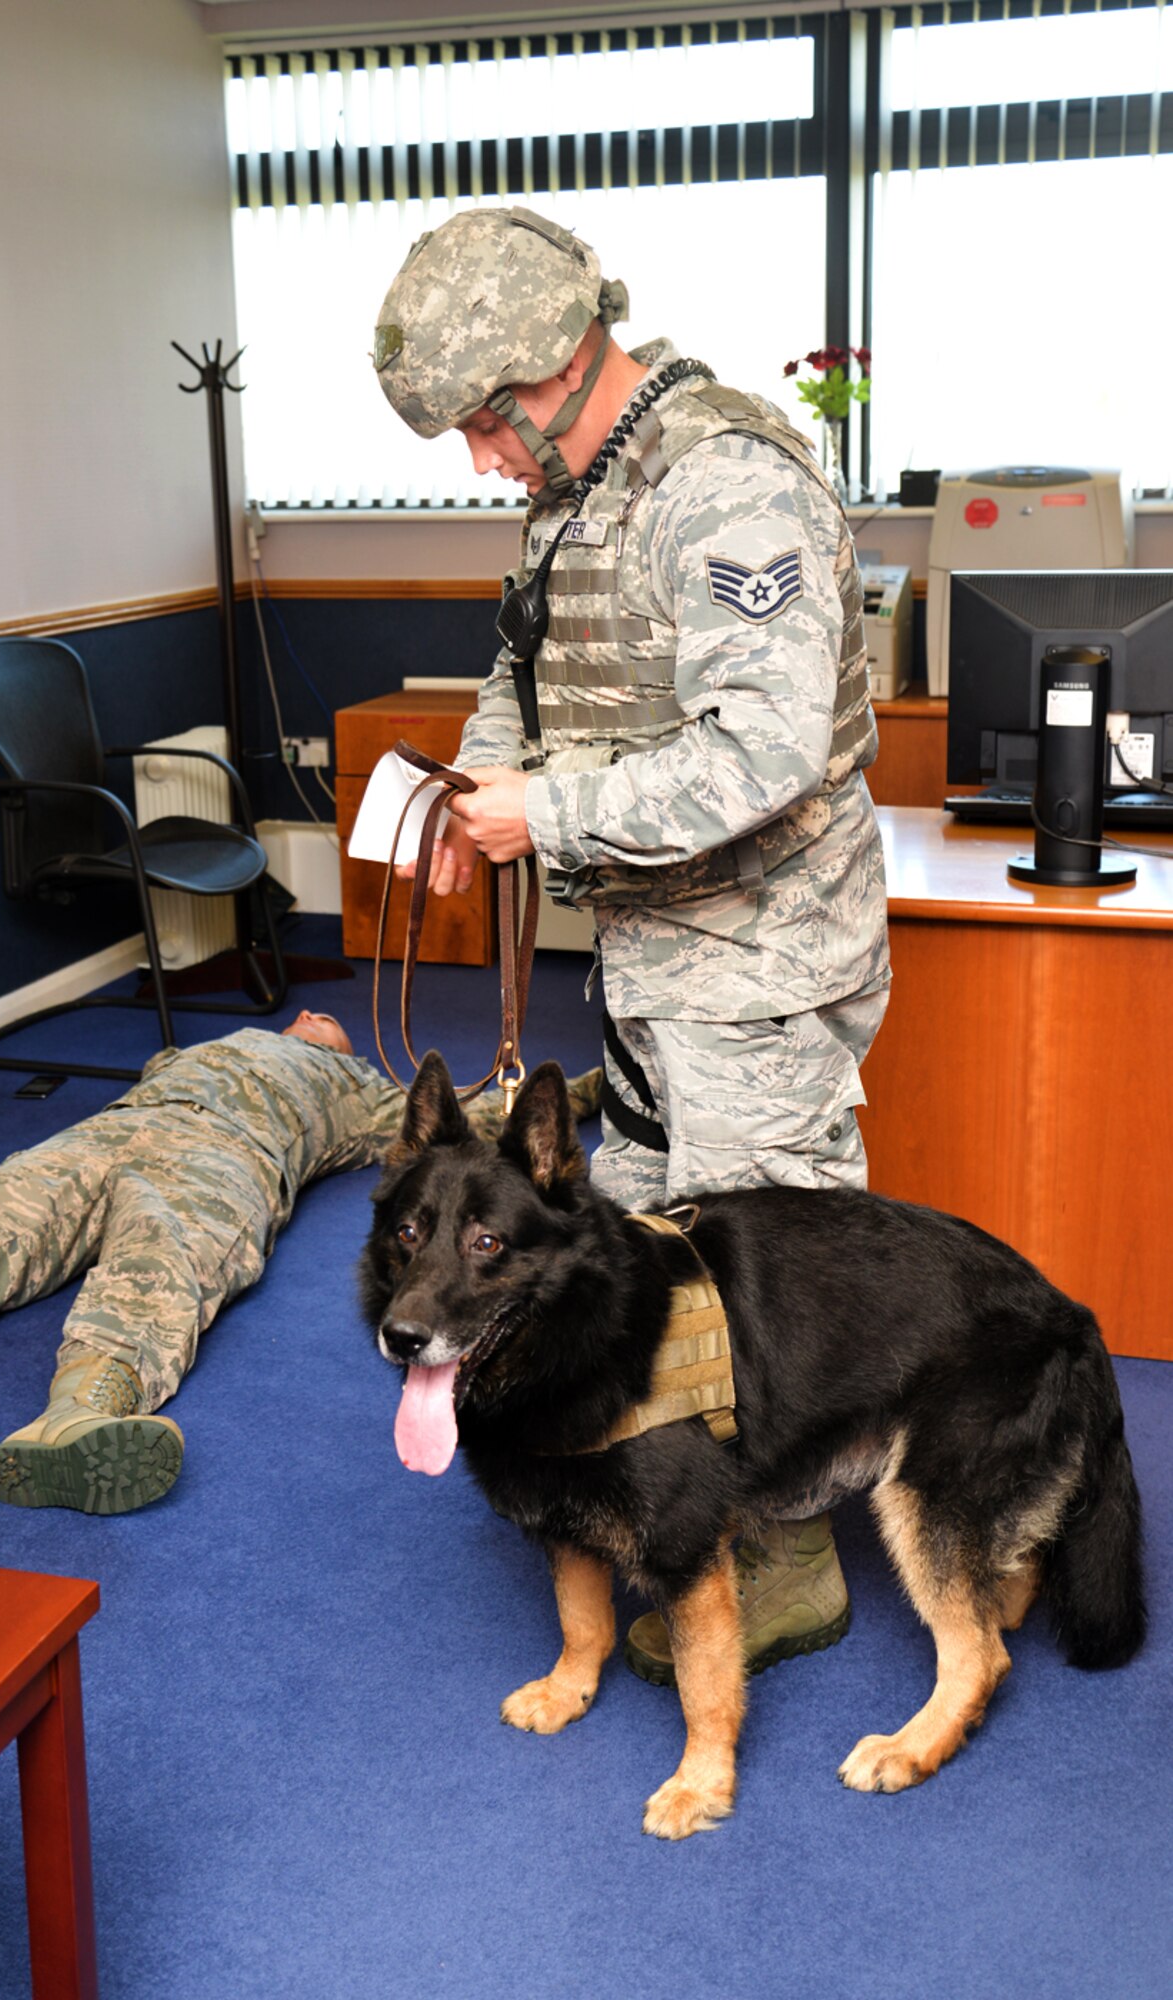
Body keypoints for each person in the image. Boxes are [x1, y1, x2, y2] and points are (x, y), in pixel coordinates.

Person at [374, 205, 891, 1681]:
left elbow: (767, 750)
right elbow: (519, 670)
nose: (481, 460)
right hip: (653, 950)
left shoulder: (725, 486)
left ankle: (785, 1565)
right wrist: (482, 789)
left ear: (555, 364)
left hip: (762, 957)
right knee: (646, 1253)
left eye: (485, 424)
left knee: (769, 1272)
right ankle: (667, 1513)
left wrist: (547, 807)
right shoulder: (570, 490)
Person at [0, 1009, 601, 1515]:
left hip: (224, 1157)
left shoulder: (358, 1093)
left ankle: (77, 1419)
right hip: (112, 1131)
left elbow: (487, 1126)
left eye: (327, 1025)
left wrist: (595, 1090)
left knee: (162, 1259)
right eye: (309, 1019)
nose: (316, 1019)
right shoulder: (194, 1049)